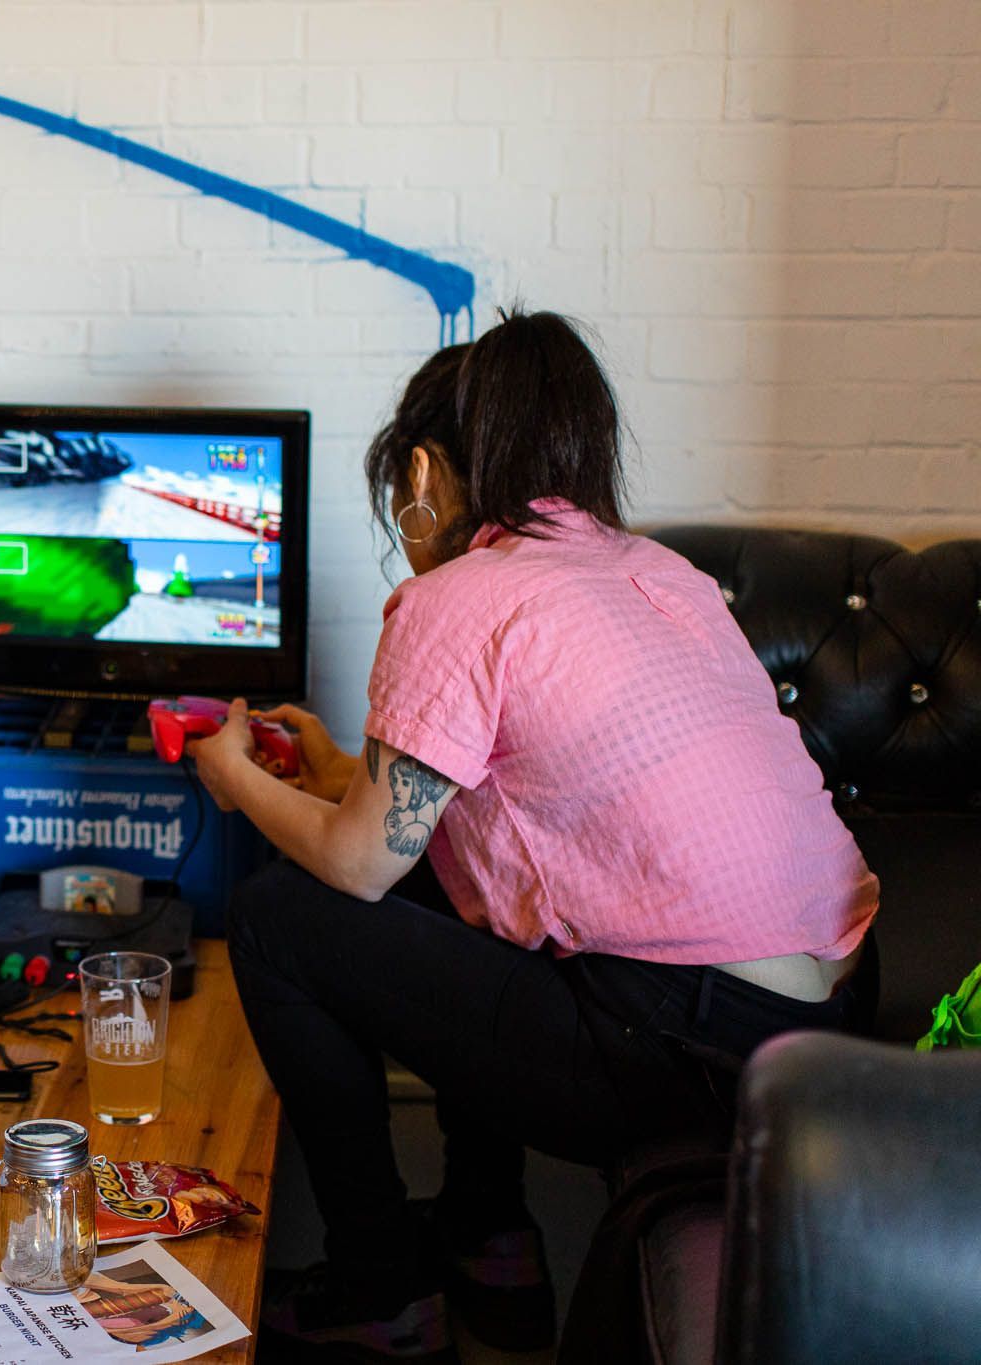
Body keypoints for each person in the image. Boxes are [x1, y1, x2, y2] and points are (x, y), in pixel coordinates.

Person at [185, 310, 878, 1362]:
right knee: (467, 894)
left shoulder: (458, 596)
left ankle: (378, 1286)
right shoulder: (654, 573)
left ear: (421, 470)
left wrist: (235, 781)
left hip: (688, 1053)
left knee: (278, 915)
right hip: (828, 1017)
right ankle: (488, 1243)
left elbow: (357, 863)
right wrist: (337, 772)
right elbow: (517, 813)